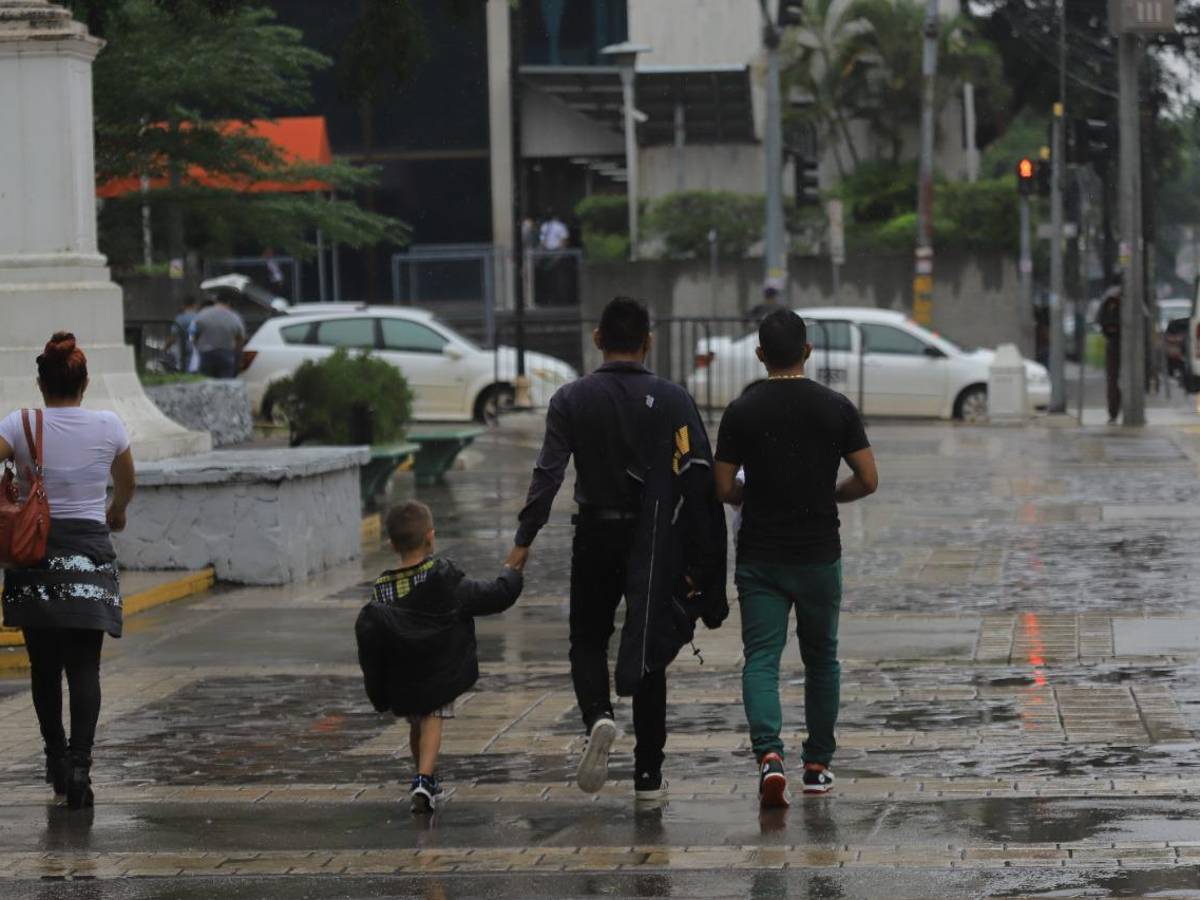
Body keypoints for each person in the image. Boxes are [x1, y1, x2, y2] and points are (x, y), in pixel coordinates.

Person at [506, 297, 728, 802]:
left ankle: (599, 717)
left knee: (588, 637)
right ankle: (648, 774)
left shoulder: (572, 398)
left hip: (596, 533)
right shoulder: (672, 398)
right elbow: (699, 480)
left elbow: (548, 474)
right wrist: (704, 562)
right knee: (649, 643)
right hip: (655, 541)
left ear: (597, 339)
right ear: (648, 342)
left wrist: (523, 542)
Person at [714, 310, 877, 807]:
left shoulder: (741, 411)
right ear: (807, 351)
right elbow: (868, 479)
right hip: (818, 556)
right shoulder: (837, 408)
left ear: (761, 355)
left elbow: (722, 486)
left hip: (760, 556)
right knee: (821, 658)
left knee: (761, 659)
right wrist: (831, 495)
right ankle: (817, 766)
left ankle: (768, 757)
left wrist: (753, 497)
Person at [0, 333, 135, 810]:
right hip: (89, 555)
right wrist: (115, 512)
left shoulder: (20, 424)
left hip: (34, 553)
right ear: (85, 383)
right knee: (84, 665)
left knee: (44, 666)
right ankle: (80, 767)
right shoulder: (109, 426)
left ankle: (55, 758)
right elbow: (125, 484)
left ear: (41, 382)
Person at [355, 501, 523, 814]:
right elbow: (493, 597)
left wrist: (380, 689)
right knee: (433, 717)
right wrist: (512, 574)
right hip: (437, 670)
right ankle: (424, 777)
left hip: (403, 677)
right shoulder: (443, 580)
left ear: (391, 545)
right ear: (431, 537)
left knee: (416, 722)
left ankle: (422, 775)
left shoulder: (381, 590)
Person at [191, 294, 246, 379]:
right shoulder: (235, 317)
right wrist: (238, 357)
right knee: (224, 385)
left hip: (206, 355)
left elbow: (193, 334)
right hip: (226, 355)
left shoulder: (203, 314)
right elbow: (240, 340)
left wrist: (197, 347)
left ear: (215, 301)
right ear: (228, 303)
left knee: (205, 384)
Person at [1097, 278, 1122, 424]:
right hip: (1115, 344)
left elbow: (1102, 322)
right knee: (1113, 380)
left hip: (1116, 345)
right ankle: (1114, 411)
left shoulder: (1110, 300)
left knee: (1113, 380)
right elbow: (1103, 322)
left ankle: (1114, 411)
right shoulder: (1110, 301)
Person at [164, 296, 199, 373]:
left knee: (185, 369)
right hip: (198, 347)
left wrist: (166, 347)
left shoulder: (180, 318)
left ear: (183, 305)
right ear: (195, 305)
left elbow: (173, 336)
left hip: (183, 348)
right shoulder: (199, 317)